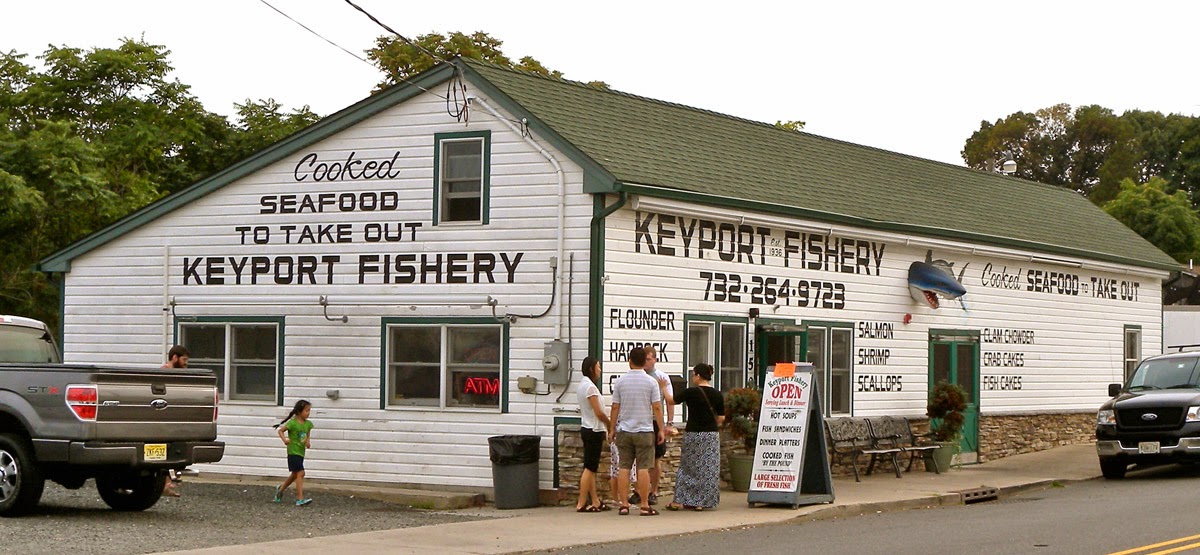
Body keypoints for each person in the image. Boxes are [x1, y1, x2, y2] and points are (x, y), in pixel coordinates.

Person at [608, 346, 665, 516]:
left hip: (625, 429)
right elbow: (656, 407)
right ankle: (645, 504)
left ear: (630, 361)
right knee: (644, 467)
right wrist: (661, 429)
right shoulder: (651, 382)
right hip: (644, 429)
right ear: (644, 362)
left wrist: (612, 428)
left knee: (624, 466)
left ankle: (624, 504)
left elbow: (615, 407)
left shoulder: (620, 382)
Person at [666, 363, 724, 511]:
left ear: (698, 376)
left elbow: (672, 400)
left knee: (687, 467)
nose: (692, 377)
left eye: (693, 374)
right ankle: (701, 501)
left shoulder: (691, 392)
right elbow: (722, 417)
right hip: (710, 435)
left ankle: (681, 499)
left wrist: (663, 387)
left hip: (693, 433)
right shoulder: (717, 394)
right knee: (707, 469)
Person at [638, 345, 674, 506]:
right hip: (640, 420)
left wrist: (669, 423)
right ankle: (639, 491)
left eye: (649, 359)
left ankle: (654, 490)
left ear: (655, 359)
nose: (646, 362)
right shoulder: (638, 375)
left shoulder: (661, 378)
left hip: (655, 421)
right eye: (644, 359)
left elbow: (669, 401)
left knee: (656, 458)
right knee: (641, 459)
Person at [575, 357, 612, 512]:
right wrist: (609, 424)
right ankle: (581, 502)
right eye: (598, 367)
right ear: (591, 369)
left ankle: (595, 500)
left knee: (591, 467)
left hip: (587, 427)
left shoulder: (583, 385)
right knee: (590, 467)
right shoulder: (590, 388)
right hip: (593, 430)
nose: (600, 370)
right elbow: (598, 412)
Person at [161, 345, 190, 497]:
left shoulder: (176, 373)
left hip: (173, 420)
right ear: (175, 358)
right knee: (166, 451)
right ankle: (165, 484)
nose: (186, 363)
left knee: (172, 451)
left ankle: (167, 484)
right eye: (184, 359)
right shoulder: (166, 372)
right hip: (166, 421)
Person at [273, 400, 314, 506]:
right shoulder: (292, 423)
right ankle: (300, 498)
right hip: (293, 452)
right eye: (306, 411)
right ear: (299, 411)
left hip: (301, 452)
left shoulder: (308, 424)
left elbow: (307, 435)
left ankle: (280, 490)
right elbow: (281, 431)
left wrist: (308, 442)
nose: (308, 413)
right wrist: (285, 440)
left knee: (295, 474)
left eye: (309, 410)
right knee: (301, 473)